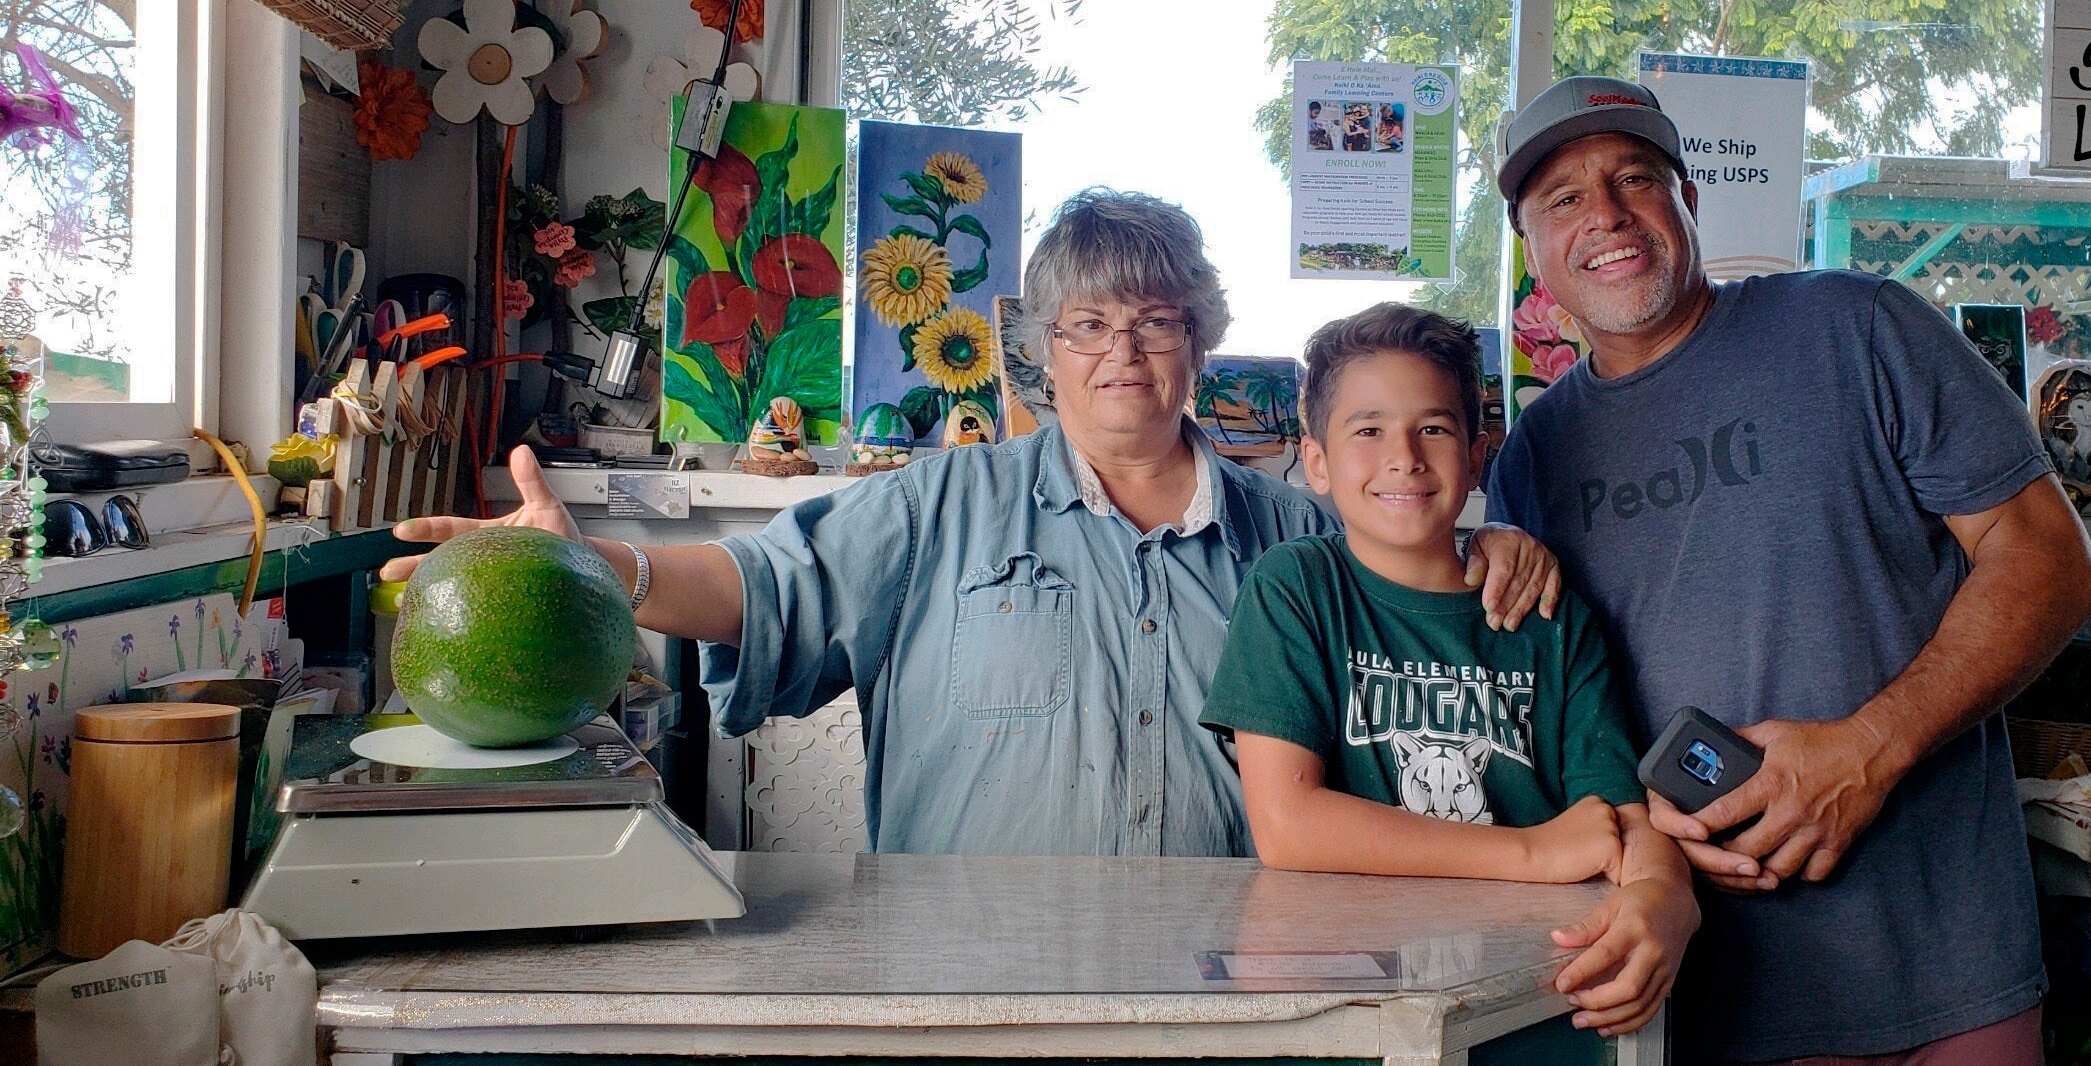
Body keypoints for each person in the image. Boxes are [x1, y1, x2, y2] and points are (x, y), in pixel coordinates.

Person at [383, 188, 1563, 861]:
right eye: (1087, 325)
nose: (1122, 354)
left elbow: (1417, 612)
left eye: (1154, 321)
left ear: (1198, 340)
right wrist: (595, 566)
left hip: (1234, 986)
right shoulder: (935, 507)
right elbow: (758, 588)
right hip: (968, 982)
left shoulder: (1294, 545)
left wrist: (1484, 549)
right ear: (1042, 352)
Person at [1482, 77, 2091, 1064]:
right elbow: (1549, 715)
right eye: (1560, 197)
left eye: (1633, 178)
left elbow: (2050, 560)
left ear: (1686, 199)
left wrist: (1873, 744)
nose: (1603, 214)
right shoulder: (1529, 459)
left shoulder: (1857, 327)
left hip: (1946, 965)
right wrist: (1629, 830)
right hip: (1714, 992)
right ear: (1531, 250)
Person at [1201, 303, 1696, 1038]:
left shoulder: (1552, 619)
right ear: (1316, 461)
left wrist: (1666, 899)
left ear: (1476, 453)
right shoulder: (1297, 586)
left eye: (1432, 427)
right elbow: (1288, 823)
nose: (1402, 455)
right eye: (1366, 430)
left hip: (1530, 995)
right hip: (1341, 1001)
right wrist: (1532, 852)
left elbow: (1617, 818)